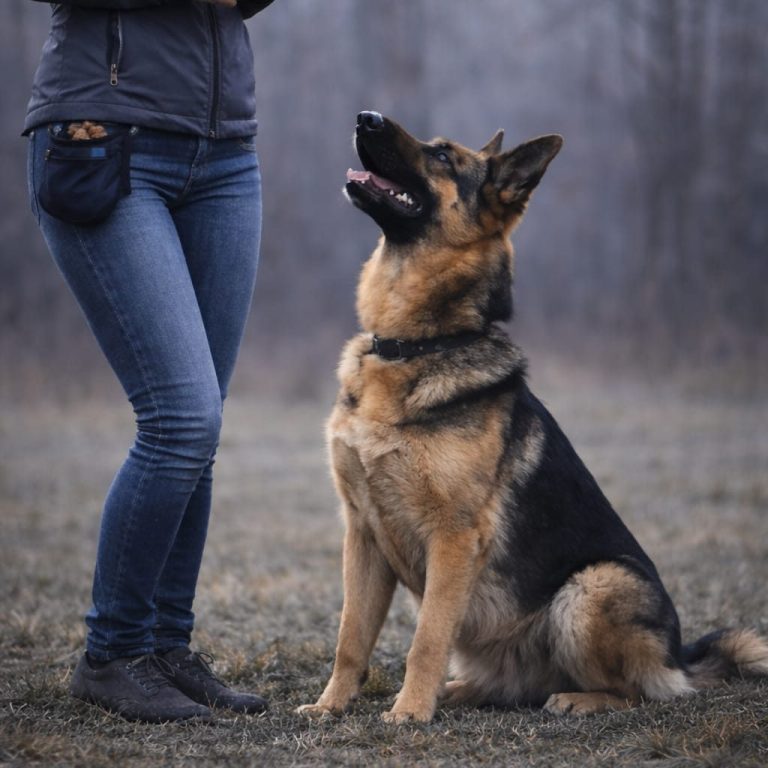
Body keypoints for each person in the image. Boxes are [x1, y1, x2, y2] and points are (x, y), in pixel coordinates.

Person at [24, 0, 275, 723]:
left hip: (224, 152)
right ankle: (111, 654)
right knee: (181, 420)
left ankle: (164, 647)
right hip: (103, 135)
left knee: (202, 432)